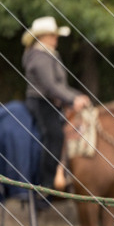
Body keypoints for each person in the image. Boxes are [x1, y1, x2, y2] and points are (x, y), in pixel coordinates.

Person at [22, 16, 90, 191]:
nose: (56, 38)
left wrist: (77, 96)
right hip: (41, 102)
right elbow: (51, 86)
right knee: (54, 135)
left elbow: (60, 86)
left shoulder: (49, 54)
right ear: (42, 36)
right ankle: (47, 183)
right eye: (53, 35)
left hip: (52, 101)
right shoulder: (39, 56)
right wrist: (73, 99)